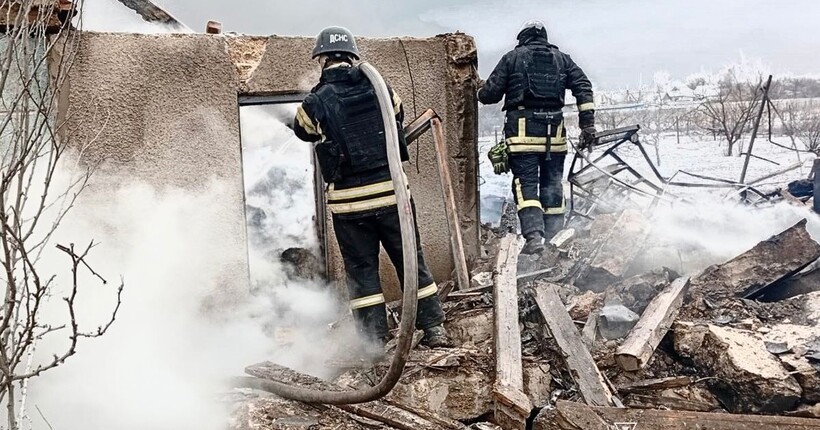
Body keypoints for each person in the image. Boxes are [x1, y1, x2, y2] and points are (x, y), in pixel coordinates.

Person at [293, 26, 451, 349]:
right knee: (410, 261)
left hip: (350, 209)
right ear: (352, 56)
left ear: (322, 59)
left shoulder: (317, 100)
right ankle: (434, 329)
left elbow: (301, 129)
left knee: (362, 272)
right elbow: (398, 113)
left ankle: (374, 343)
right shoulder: (378, 86)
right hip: (393, 198)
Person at [478, 20, 596, 254]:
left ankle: (534, 238)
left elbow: (489, 95)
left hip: (523, 136)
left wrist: (478, 89)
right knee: (552, 185)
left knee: (527, 186)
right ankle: (555, 238)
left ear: (522, 37)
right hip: (556, 136)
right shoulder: (562, 59)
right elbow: (584, 86)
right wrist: (587, 125)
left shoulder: (512, 58)